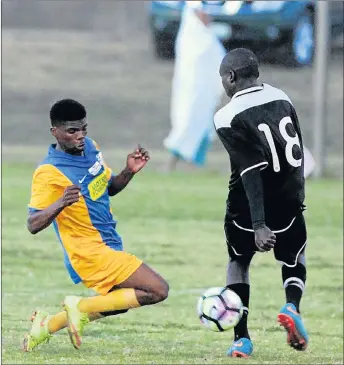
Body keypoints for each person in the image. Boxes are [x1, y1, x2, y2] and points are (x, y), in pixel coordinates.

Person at [23, 99, 169, 352]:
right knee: (157, 290)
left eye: (83, 129)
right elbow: (32, 224)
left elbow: (107, 188)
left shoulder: (91, 148)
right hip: (89, 252)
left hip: (109, 241)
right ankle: (77, 306)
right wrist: (59, 204)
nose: (80, 136)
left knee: (118, 303)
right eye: (72, 131)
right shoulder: (49, 172)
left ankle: (45, 326)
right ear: (55, 132)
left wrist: (128, 172)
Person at [214, 48, 309, 358]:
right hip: (289, 199)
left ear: (230, 77)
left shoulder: (227, 115)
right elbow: (297, 149)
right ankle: (291, 306)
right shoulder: (283, 97)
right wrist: (296, 199)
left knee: (238, 263)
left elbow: (251, 170)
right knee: (294, 258)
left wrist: (258, 224)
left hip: (246, 209)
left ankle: (241, 338)